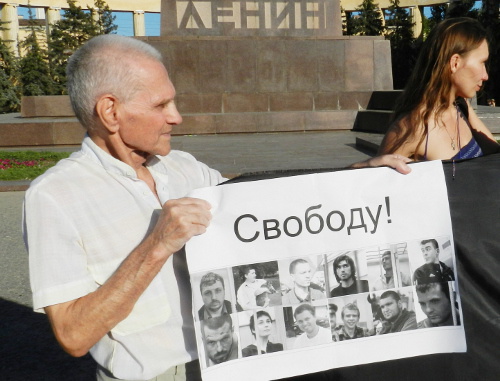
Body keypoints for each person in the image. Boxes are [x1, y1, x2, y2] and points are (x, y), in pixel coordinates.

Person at [22, 34, 413, 381]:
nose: (176, 117)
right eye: (162, 104)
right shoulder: (55, 196)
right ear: (111, 111)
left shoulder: (185, 167)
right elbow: (73, 335)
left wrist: (356, 174)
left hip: (235, 362)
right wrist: (157, 245)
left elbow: (264, 204)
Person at [379, 17, 500, 161]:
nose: (485, 75)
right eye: (482, 63)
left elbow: (494, 157)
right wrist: (362, 166)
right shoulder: (412, 128)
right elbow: (371, 180)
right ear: (455, 63)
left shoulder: (461, 107)